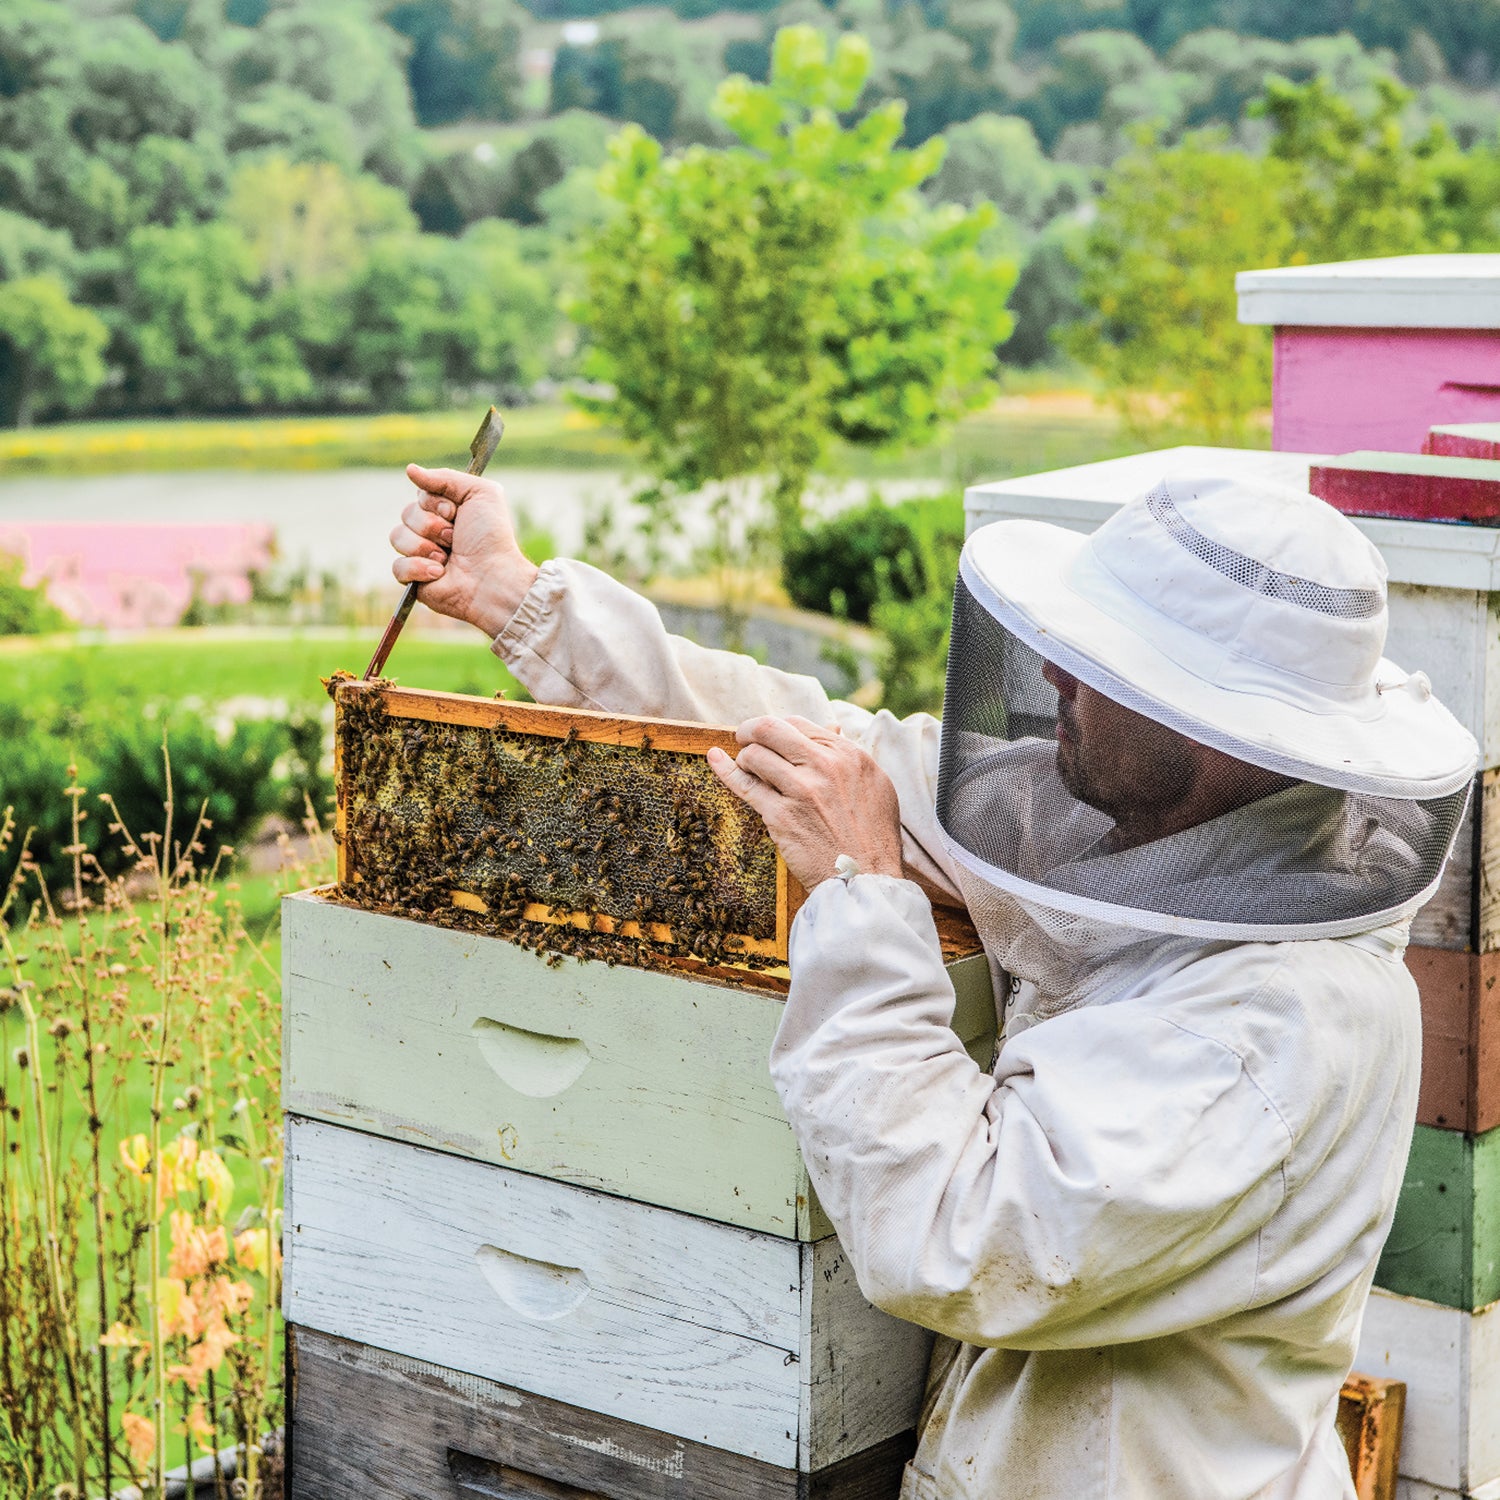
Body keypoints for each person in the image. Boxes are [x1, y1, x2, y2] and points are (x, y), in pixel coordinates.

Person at [388, 467, 1476, 1500]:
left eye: (1100, 667)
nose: (1053, 678)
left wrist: (862, 891)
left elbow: (960, 1238)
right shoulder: (1128, 829)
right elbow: (819, 757)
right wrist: (523, 602)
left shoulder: (1271, 1032)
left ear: (1213, 732)